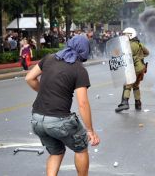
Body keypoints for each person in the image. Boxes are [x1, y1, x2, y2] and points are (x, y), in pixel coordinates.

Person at [25, 35, 100, 176]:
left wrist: (45, 91)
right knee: (81, 148)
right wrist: (90, 130)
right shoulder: (79, 69)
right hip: (58, 121)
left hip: (37, 119)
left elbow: (29, 78)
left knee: (56, 152)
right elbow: (83, 103)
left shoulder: (48, 58)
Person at [115, 27, 150, 112]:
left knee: (127, 85)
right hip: (141, 68)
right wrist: (139, 57)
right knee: (136, 86)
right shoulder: (139, 44)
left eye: (125, 35)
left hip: (134, 68)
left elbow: (122, 55)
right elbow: (147, 53)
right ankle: (138, 104)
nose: (124, 36)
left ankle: (125, 103)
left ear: (130, 35)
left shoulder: (128, 45)